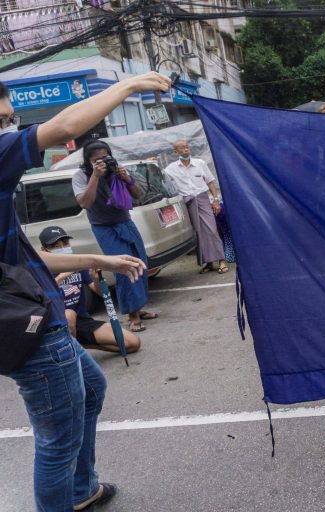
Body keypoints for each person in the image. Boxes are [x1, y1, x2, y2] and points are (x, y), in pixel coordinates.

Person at [0, 72, 170, 511]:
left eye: (10, 119)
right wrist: (129, 86)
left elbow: (27, 261)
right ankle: (68, 497)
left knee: (91, 388)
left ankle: (81, 491)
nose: (8, 129)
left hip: (39, 320)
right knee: (57, 441)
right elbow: (64, 128)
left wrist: (100, 261)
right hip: (33, 331)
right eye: (1, 120)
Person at [72, 139, 159, 333]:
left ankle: (139, 308)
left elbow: (136, 195)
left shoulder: (117, 170)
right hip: (104, 228)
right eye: (97, 160)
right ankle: (132, 316)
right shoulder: (80, 176)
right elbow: (85, 202)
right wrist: (95, 175)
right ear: (88, 161)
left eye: (105, 157)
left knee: (140, 265)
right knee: (124, 268)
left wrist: (126, 178)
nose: (102, 162)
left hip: (125, 223)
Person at [39, 226, 141, 354]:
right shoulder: (40, 271)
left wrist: (96, 279)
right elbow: (39, 299)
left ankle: (82, 345)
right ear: (44, 250)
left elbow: (100, 293)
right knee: (69, 314)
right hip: (58, 323)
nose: (62, 248)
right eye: (55, 246)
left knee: (132, 343)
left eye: (65, 243)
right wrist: (61, 277)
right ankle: (72, 355)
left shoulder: (77, 264)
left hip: (82, 321)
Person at [163, 139, 228, 274]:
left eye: (187, 147)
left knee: (211, 229)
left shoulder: (200, 163)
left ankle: (222, 260)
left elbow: (210, 182)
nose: (185, 149)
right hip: (187, 203)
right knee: (198, 233)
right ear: (176, 152)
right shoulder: (170, 169)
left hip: (203, 198)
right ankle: (208, 262)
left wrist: (215, 200)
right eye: (182, 148)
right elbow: (161, 178)